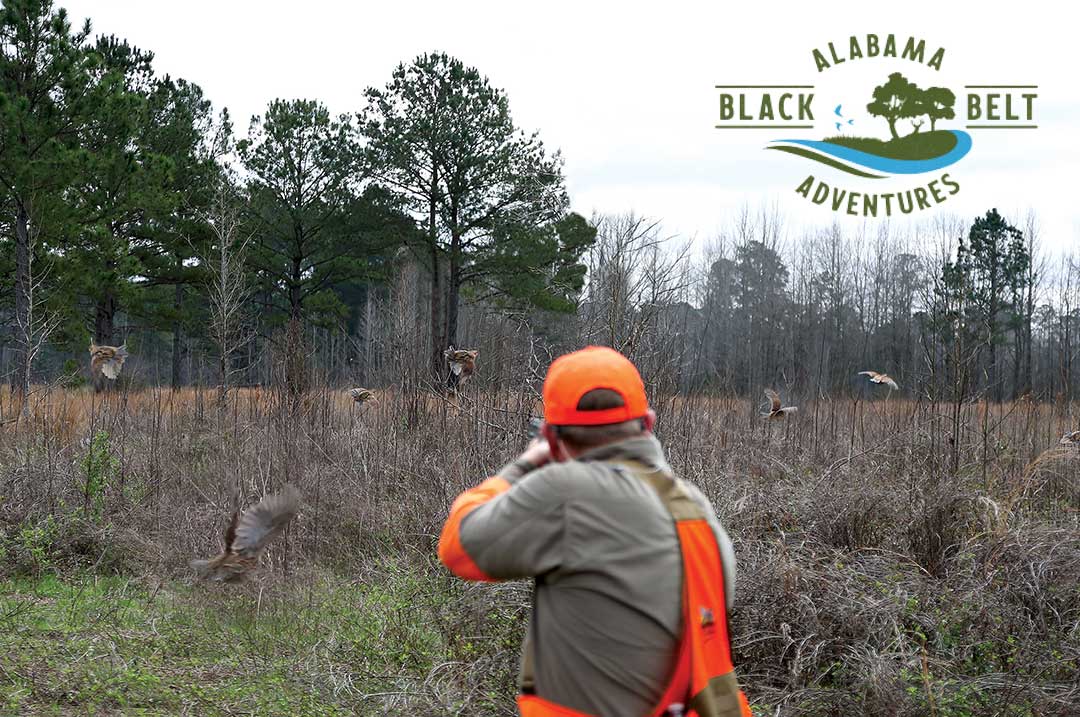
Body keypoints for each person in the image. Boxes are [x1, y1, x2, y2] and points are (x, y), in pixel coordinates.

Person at [438, 346, 751, 717]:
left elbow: (459, 546)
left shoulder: (565, 491)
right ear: (648, 423)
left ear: (553, 437)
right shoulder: (695, 508)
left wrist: (524, 465)